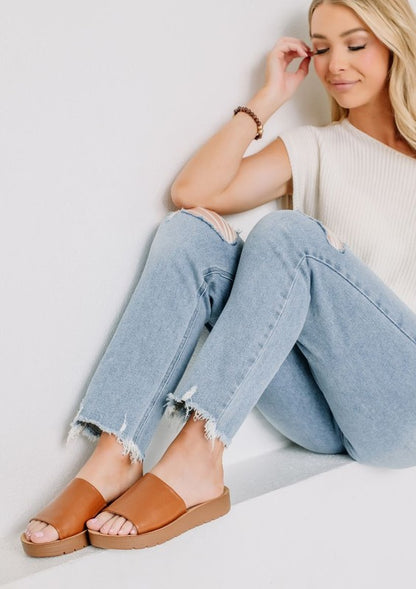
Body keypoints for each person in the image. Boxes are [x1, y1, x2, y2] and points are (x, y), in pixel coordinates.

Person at [22, 0, 416, 558]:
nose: (335, 64)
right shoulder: (316, 148)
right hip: (324, 414)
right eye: (322, 48)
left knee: (286, 234)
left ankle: (197, 454)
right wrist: (268, 98)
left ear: (396, 45)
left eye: (355, 45)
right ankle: (116, 452)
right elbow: (192, 193)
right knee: (190, 234)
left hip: (405, 404)